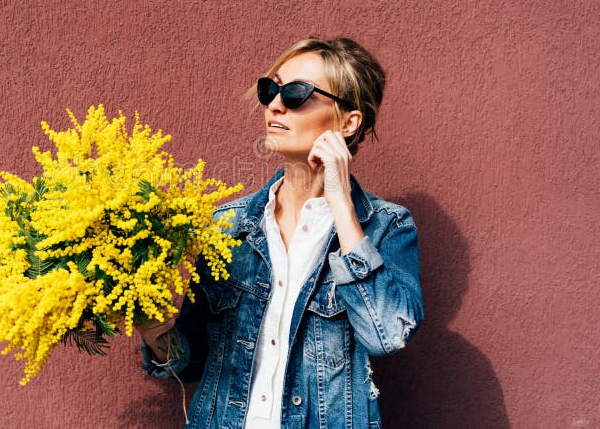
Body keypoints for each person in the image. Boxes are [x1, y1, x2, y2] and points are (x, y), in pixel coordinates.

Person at [137, 36, 425, 429]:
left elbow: (387, 334)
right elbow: (191, 361)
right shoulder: (229, 225)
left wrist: (340, 203)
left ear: (348, 122)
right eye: (270, 90)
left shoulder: (386, 227)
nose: (274, 104)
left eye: (295, 93)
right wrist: (151, 326)